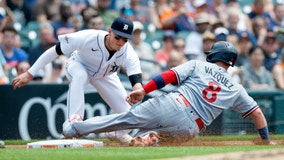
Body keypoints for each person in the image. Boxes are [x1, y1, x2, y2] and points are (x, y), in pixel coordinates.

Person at [62, 41, 272, 146]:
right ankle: (147, 139)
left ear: (214, 55)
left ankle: (74, 129)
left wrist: (143, 89)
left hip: (175, 105)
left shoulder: (199, 64)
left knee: (122, 119)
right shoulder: (236, 88)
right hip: (190, 129)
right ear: (231, 61)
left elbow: (169, 76)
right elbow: (258, 114)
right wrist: (264, 139)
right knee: (152, 145)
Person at [12, 17, 143, 144]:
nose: (120, 42)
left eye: (125, 39)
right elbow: (55, 50)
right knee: (80, 76)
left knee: (130, 115)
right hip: (79, 65)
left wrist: (137, 91)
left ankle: (114, 134)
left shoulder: (127, 51)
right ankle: (70, 128)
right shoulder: (89, 37)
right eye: (117, 37)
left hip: (106, 76)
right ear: (109, 31)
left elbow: (135, 77)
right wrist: (30, 73)